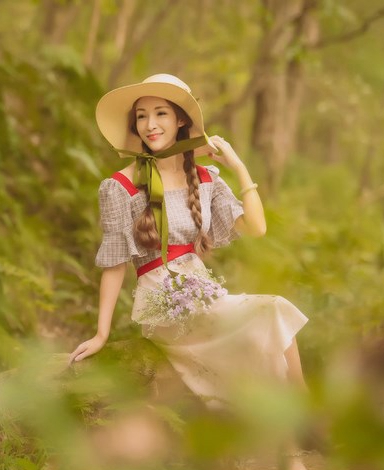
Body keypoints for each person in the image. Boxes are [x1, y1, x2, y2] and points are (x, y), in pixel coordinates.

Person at [68, 74, 309, 469]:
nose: (150, 124)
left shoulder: (205, 179)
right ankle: (299, 417)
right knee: (270, 311)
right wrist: (102, 332)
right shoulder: (120, 186)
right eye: (142, 116)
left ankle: (286, 445)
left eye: (160, 113)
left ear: (181, 120)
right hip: (162, 302)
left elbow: (258, 228)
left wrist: (239, 166)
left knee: (263, 329)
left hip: (203, 293)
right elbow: (113, 263)